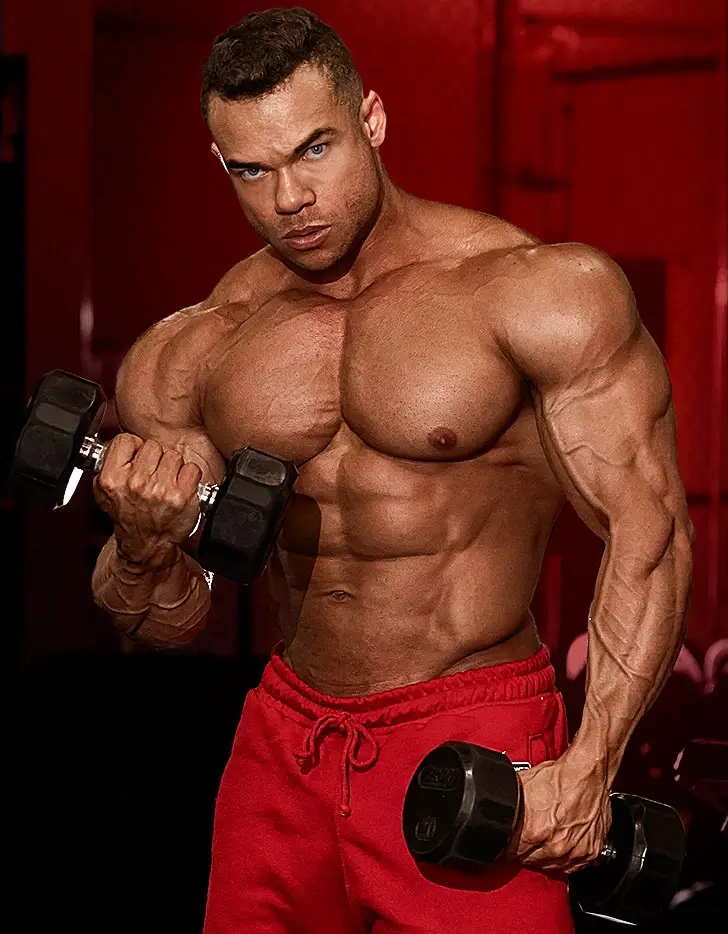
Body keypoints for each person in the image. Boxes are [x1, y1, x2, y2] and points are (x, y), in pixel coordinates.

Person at [90, 8, 694, 933]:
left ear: (371, 119)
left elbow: (650, 531)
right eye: (253, 170)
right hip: (285, 746)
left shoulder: (534, 291)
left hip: (478, 747)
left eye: (314, 149)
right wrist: (142, 545)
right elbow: (164, 620)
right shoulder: (198, 348)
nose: (290, 198)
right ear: (221, 164)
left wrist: (591, 764)